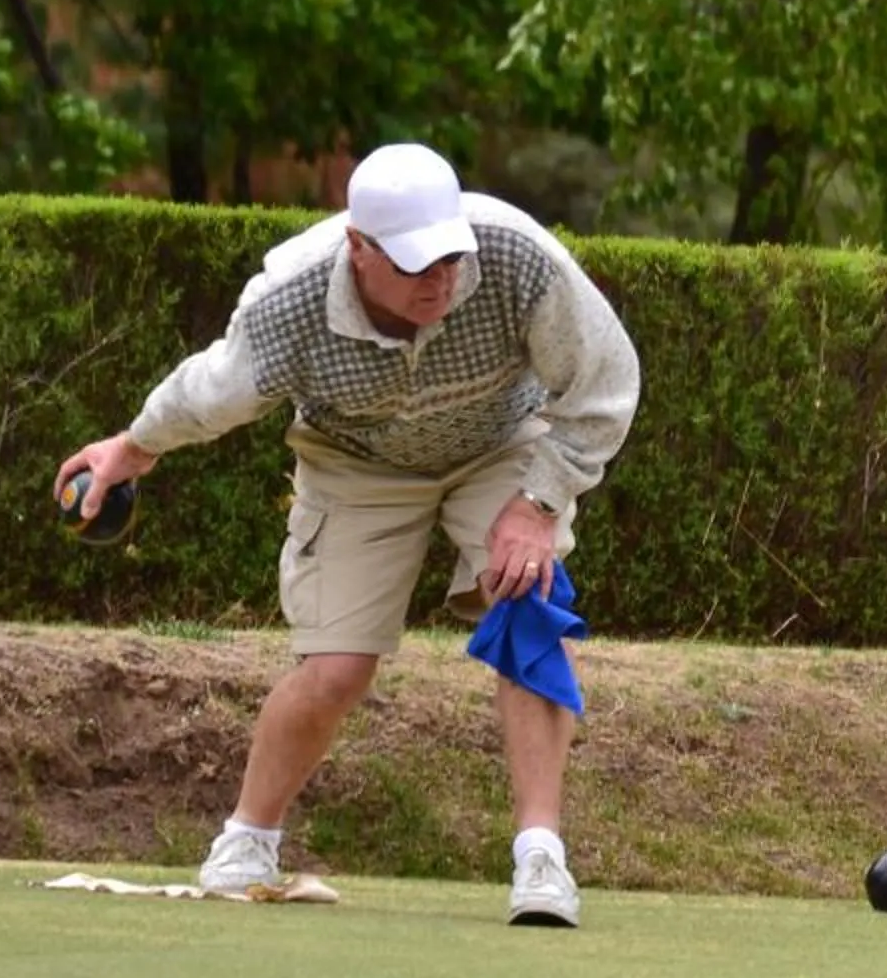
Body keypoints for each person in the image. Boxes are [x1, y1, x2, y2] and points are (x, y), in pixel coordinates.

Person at [55, 143, 641, 926]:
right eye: (414, 265)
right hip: (356, 461)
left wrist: (538, 506)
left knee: (529, 611)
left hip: (502, 447)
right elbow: (214, 391)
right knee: (336, 667)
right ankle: (246, 841)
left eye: (447, 259)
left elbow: (605, 386)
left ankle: (541, 857)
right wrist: (130, 450)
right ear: (358, 249)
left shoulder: (514, 255)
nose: (440, 279)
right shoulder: (290, 299)